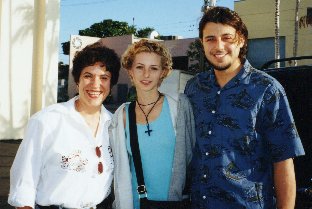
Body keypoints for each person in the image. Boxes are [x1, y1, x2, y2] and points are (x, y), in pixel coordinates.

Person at [184, 6, 305, 209]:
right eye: (210, 39)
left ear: (241, 40)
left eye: (227, 38)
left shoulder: (266, 89)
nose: (218, 46)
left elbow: (283, 159)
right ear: (202, 44)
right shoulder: (194, 88)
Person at [8, 42, 120, 209]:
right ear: (77, 80)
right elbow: (24, 183)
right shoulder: (46, 121)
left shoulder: (114, 125)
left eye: (104, 77)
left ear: (110, 85)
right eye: (88, 75)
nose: (95, 84)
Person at [109, 39, 195, 209]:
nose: (146, 74)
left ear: (163, 72)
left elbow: (191, 157)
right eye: (140, 67)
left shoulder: (179, 107)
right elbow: (119, 169)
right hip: (135, 204)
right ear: (130, 71)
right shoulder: (122, 115)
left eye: (153, 68)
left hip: (174, 203)